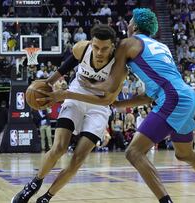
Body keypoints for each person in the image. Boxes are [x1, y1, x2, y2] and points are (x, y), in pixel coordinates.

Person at [74, 8, 195, 203]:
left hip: (173, 98)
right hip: (188, 96)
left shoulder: (128, 43)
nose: (129, 24)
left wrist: (86, 84)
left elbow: (110, 84)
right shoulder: (161, 46)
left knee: (133, 152)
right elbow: (149, 95)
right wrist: (120, 103)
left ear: (135, 25)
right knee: (184, 154)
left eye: (131, 21)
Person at [11, 24, 125, 203]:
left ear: (113, 46)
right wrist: (47, 84)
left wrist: (65, 94)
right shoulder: (82, 48)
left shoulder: (120, 66)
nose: (99, 52)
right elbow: (66, 66)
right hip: (75, 98)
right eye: (96, 47)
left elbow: (107, 101)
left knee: (78, 159)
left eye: (104, 48)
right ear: (91, 43)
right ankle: (34, 184)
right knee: (59, 148)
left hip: (98, 107)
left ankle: (47, 197)